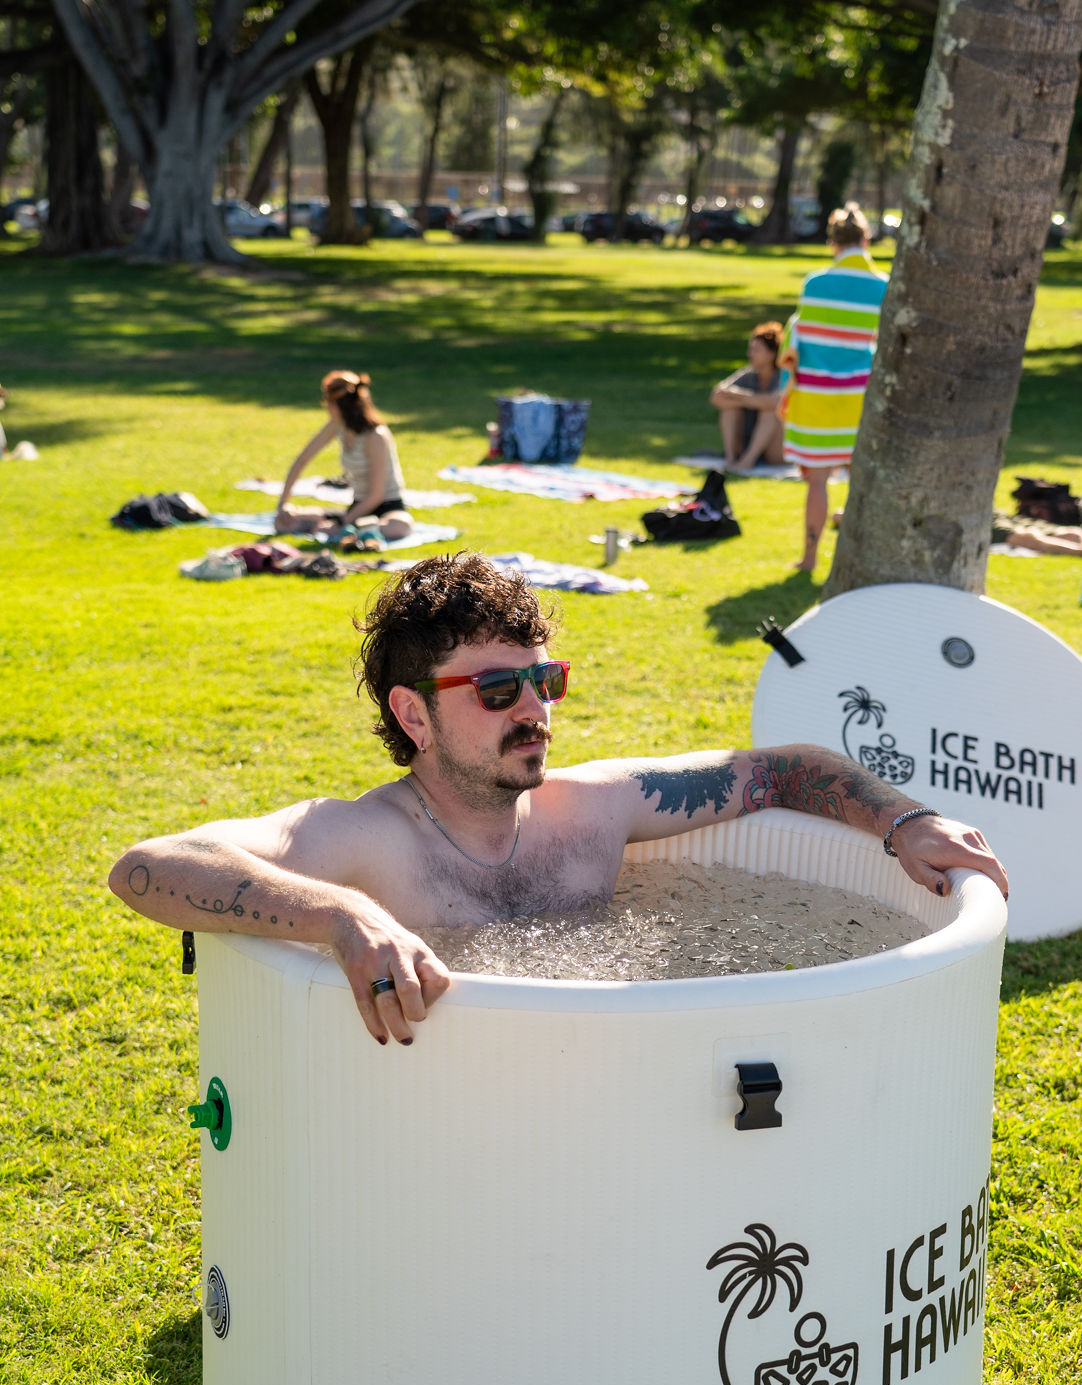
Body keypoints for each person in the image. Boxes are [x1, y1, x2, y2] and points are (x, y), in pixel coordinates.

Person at [109, 553, 1008, 1046]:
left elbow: (781, 768)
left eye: (544, 681)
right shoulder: (364, 842)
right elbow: (147, 868)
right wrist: (342, 913)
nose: (535, 710)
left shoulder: (596, 813)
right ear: (413, 713)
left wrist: (905, 821)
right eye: (498, 691)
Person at [779, 202, 887, 572]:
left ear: (832, 243)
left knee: (817, 483)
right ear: (867, 239)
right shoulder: (883, 287)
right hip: (858, 398)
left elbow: (800, 337)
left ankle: (809, 558)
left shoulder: (815, 283)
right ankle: (864, 561)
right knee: (862, 485)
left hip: (813, 396)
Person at [274, 370, 412, 542]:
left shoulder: (376, 436)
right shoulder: (337, 426)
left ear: (337, 405)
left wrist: (341, 522)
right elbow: (302, 460)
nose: (325, 407)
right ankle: (357, 530)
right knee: (284, 523)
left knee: (400, 526)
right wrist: (283, 504)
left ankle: (356, 530)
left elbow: (376, 496)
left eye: (326, 401)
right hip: (357, 508)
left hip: (387, 508)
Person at [709, 323, 785, 472]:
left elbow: (775, 402)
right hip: (745, 440)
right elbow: (716, 396)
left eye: (756, 350)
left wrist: (739, 397)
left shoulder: (783, 375)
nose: (750, 354)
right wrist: (754, 402)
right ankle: (731, 459)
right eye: (750, 349)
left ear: (771, 354)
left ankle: (747, 462)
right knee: (729, 410)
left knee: (770, 412)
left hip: (775, 450)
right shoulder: (748, 375)